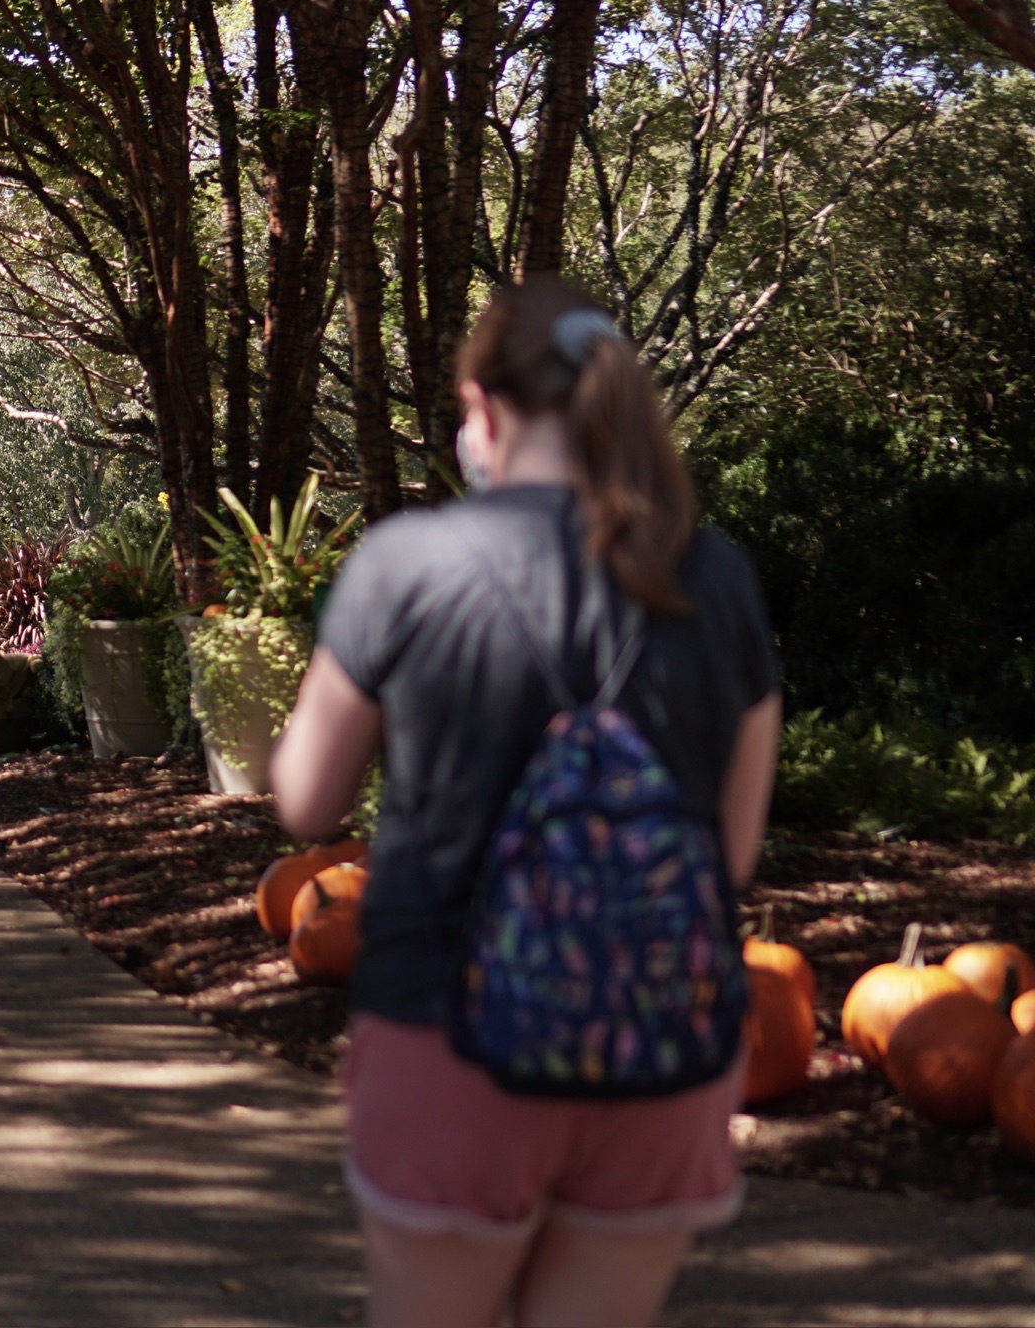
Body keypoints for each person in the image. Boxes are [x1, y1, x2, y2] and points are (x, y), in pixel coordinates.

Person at [270, 278, 783, 1328]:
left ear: (485, 408)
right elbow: (731, 857)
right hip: (656, 1051)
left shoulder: (404, 565)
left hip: (443, 1039)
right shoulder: (718, 579)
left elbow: (305, 802)